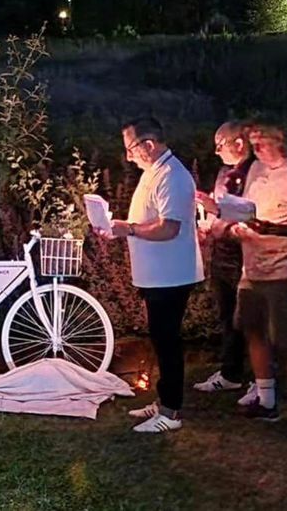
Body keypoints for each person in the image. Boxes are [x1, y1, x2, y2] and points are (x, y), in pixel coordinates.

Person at [98, 117, 204, 433]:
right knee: (160, 340)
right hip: (155, 275)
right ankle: (163, 401)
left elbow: (169, 227)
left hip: (170, 276)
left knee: (168, 341)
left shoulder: (173, 176)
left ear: (149, 144)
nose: (128, 156)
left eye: (131, 149)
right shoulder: (154, 173)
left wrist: (127, 228)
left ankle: (170, 413)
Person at [229, 122, 287, 422]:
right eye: (252, 142)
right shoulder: (257, 169)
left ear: (280, 140)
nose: (255, 148)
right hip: (253, 267)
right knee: (252, 328)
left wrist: (278, 229)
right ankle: (266, 398)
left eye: (261, 142)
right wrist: (234, 224)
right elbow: (250, 209)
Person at [192, 121, 258, 403]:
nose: (216, 151)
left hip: (247, 255)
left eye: (220, 145)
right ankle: (230, 373)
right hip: (222, 255)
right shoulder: (224, 173)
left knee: (252, 319)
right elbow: (219, 209)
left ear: (239, 143)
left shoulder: (257, 173)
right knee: (227, 316)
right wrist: (207, 224)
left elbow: (252, 212)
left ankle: (261, 379)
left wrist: (217, 211)